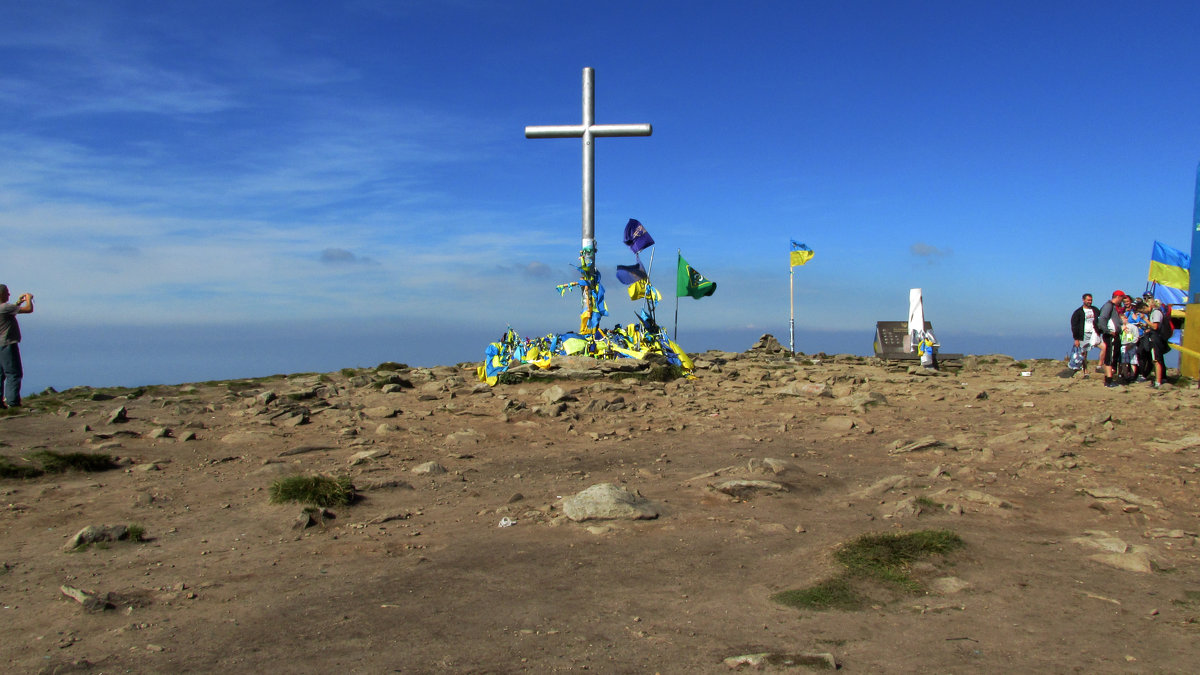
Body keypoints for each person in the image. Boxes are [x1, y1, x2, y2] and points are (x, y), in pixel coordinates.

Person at [0, 284, 34, 408]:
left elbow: (11, 311)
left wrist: (18, 302)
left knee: (1, 374)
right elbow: (29, 309)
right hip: (7, 344)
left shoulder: (5, 308)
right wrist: (29, 299)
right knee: (14, 373)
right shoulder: (5, 307)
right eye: (7, 292)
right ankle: (13, 402)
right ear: (2, 294)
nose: (9, 294)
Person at [1095, 290, 1126, 388]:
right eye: (1122, 298)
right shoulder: (1109, 306)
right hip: (1110, 336)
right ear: (1118, 297)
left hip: (1114, 335)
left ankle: (1109, 378)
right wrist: (1107, 331)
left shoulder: (1114, 307)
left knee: (1113, 356)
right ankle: (1108, 380)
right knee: (1110, 357)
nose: (1123, 300)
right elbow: (1102, 319)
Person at [1070, 293, 1101, 375]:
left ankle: (1099, 366)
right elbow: (1074, 325)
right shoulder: (1078, 312)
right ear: (1083, 300)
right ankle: (1084, 369)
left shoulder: (1095, 309)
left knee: (1104, 347)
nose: (1090, 302)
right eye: (1088, 300)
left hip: (1094, 333)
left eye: (1091, 300)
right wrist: (1076, 339)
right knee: (1084, 353)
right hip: (1084, 334)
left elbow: (1101, 318)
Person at [1146, 298, 1170, 389]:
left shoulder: (1156, 313)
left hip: (1157, 338)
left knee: (1157, 360)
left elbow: (1155, 326)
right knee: (1157, 359)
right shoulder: (1155, 313)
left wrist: (1146, 320)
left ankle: (1158, 381)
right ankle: (1160, 379)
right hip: (1156, 338)